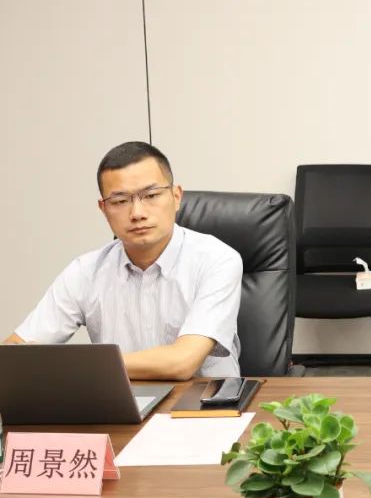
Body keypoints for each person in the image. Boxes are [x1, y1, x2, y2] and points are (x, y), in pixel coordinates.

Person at [3, 141, 242, 380]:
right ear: (103, 208)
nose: (137, 213)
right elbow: (12, 356)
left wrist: (69, 364)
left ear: (176, 196)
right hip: (117, 401)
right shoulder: (85, 271)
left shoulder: (217, 260)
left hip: (204, 401)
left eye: (151, 195)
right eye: (120, 201)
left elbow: (182, 362)